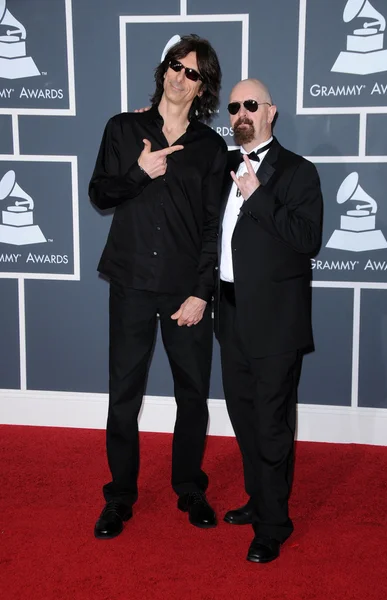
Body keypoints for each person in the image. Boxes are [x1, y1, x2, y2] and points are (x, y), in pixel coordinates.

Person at [89, 34, 227, 539]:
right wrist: (138, 173)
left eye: (193, 73)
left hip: (183, 292)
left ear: (202, 87)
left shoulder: (211, 148)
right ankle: (120, 497)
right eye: (175, 65)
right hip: (130, 282)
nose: (180, 76)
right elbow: (100, 192)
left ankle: (189, 487)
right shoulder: (123, 129)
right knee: (123, 395)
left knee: (192, 395)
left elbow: (213, 227)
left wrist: (201, 292)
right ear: (163, 69)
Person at [214, 79, 323, 563]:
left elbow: (306, 239)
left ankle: (274, 524)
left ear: (271, 112)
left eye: (251, 105)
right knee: (244, 418)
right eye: (234, 106)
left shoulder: (299, 172)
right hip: (231, 313)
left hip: (276, 321)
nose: (241, 113)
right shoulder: (222, 168)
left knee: (272, 423)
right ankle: (259, 500)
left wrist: (258, 194)